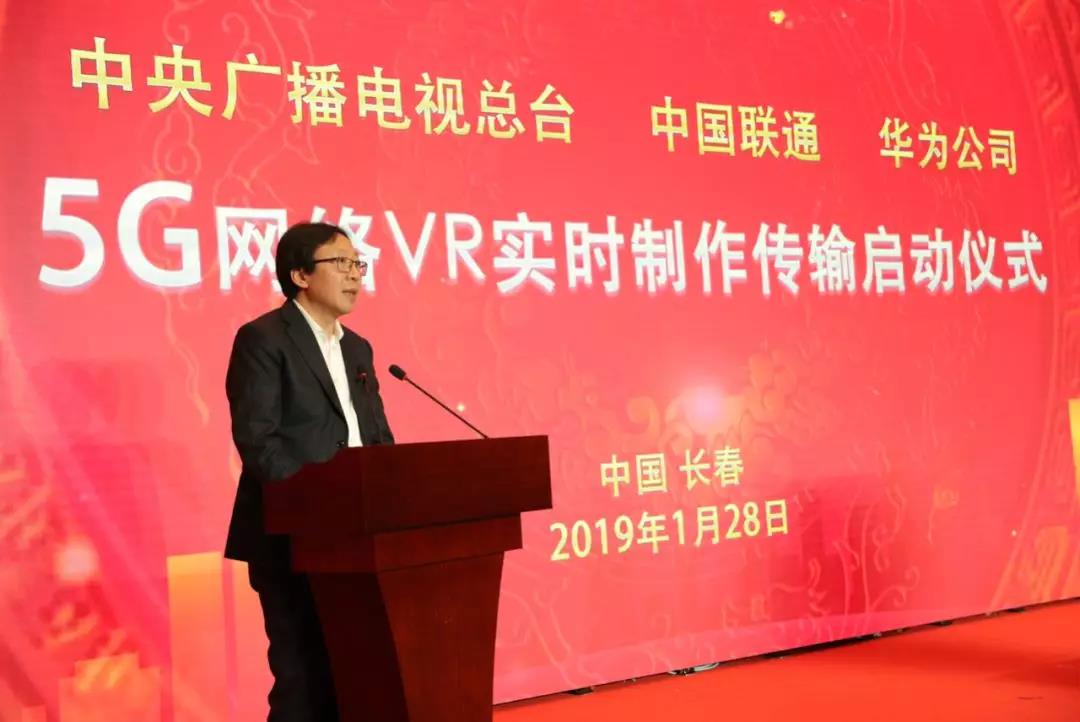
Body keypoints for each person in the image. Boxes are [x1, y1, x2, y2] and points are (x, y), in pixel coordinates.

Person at [223, 221, 395, 722]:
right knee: (301, 680)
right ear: (300, 274)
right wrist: (316, 509)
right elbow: (259, 441)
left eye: (358, 263)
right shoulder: (262, 339)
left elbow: (376, 437)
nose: (355, 274)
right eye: (341, 263)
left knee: (356, 679)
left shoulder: (358, 348)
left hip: (358, 540)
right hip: (292, 540)